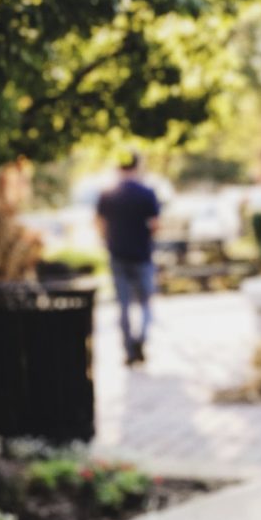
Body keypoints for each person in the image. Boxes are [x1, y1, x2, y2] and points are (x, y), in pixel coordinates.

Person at [96, 152, 160, 366]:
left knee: (122, 305)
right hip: (142, 255)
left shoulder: (108, 194)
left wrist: (108, 241)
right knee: (145, 303)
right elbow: (155, 225)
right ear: (137, 166)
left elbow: (99, 224)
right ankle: (141, 339)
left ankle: (129, 349)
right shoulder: (146, 193)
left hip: (117, 254)